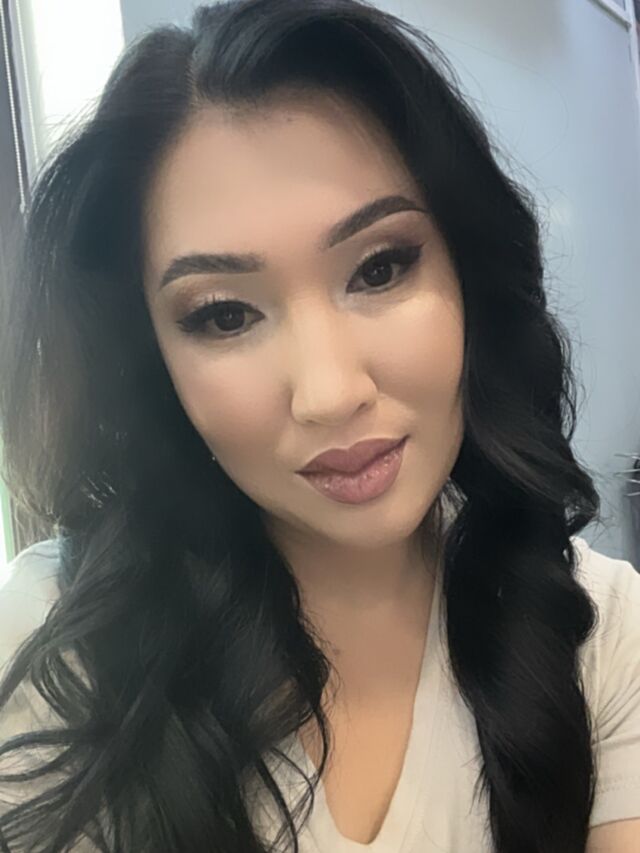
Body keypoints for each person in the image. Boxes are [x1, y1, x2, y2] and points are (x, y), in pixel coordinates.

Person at [0, 1, 638, 851]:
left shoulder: (602, 628)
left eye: (379, 268)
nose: (330, 393)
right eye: (224, 315)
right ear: (151, 359)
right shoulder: (58, 637)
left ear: (471, 275)